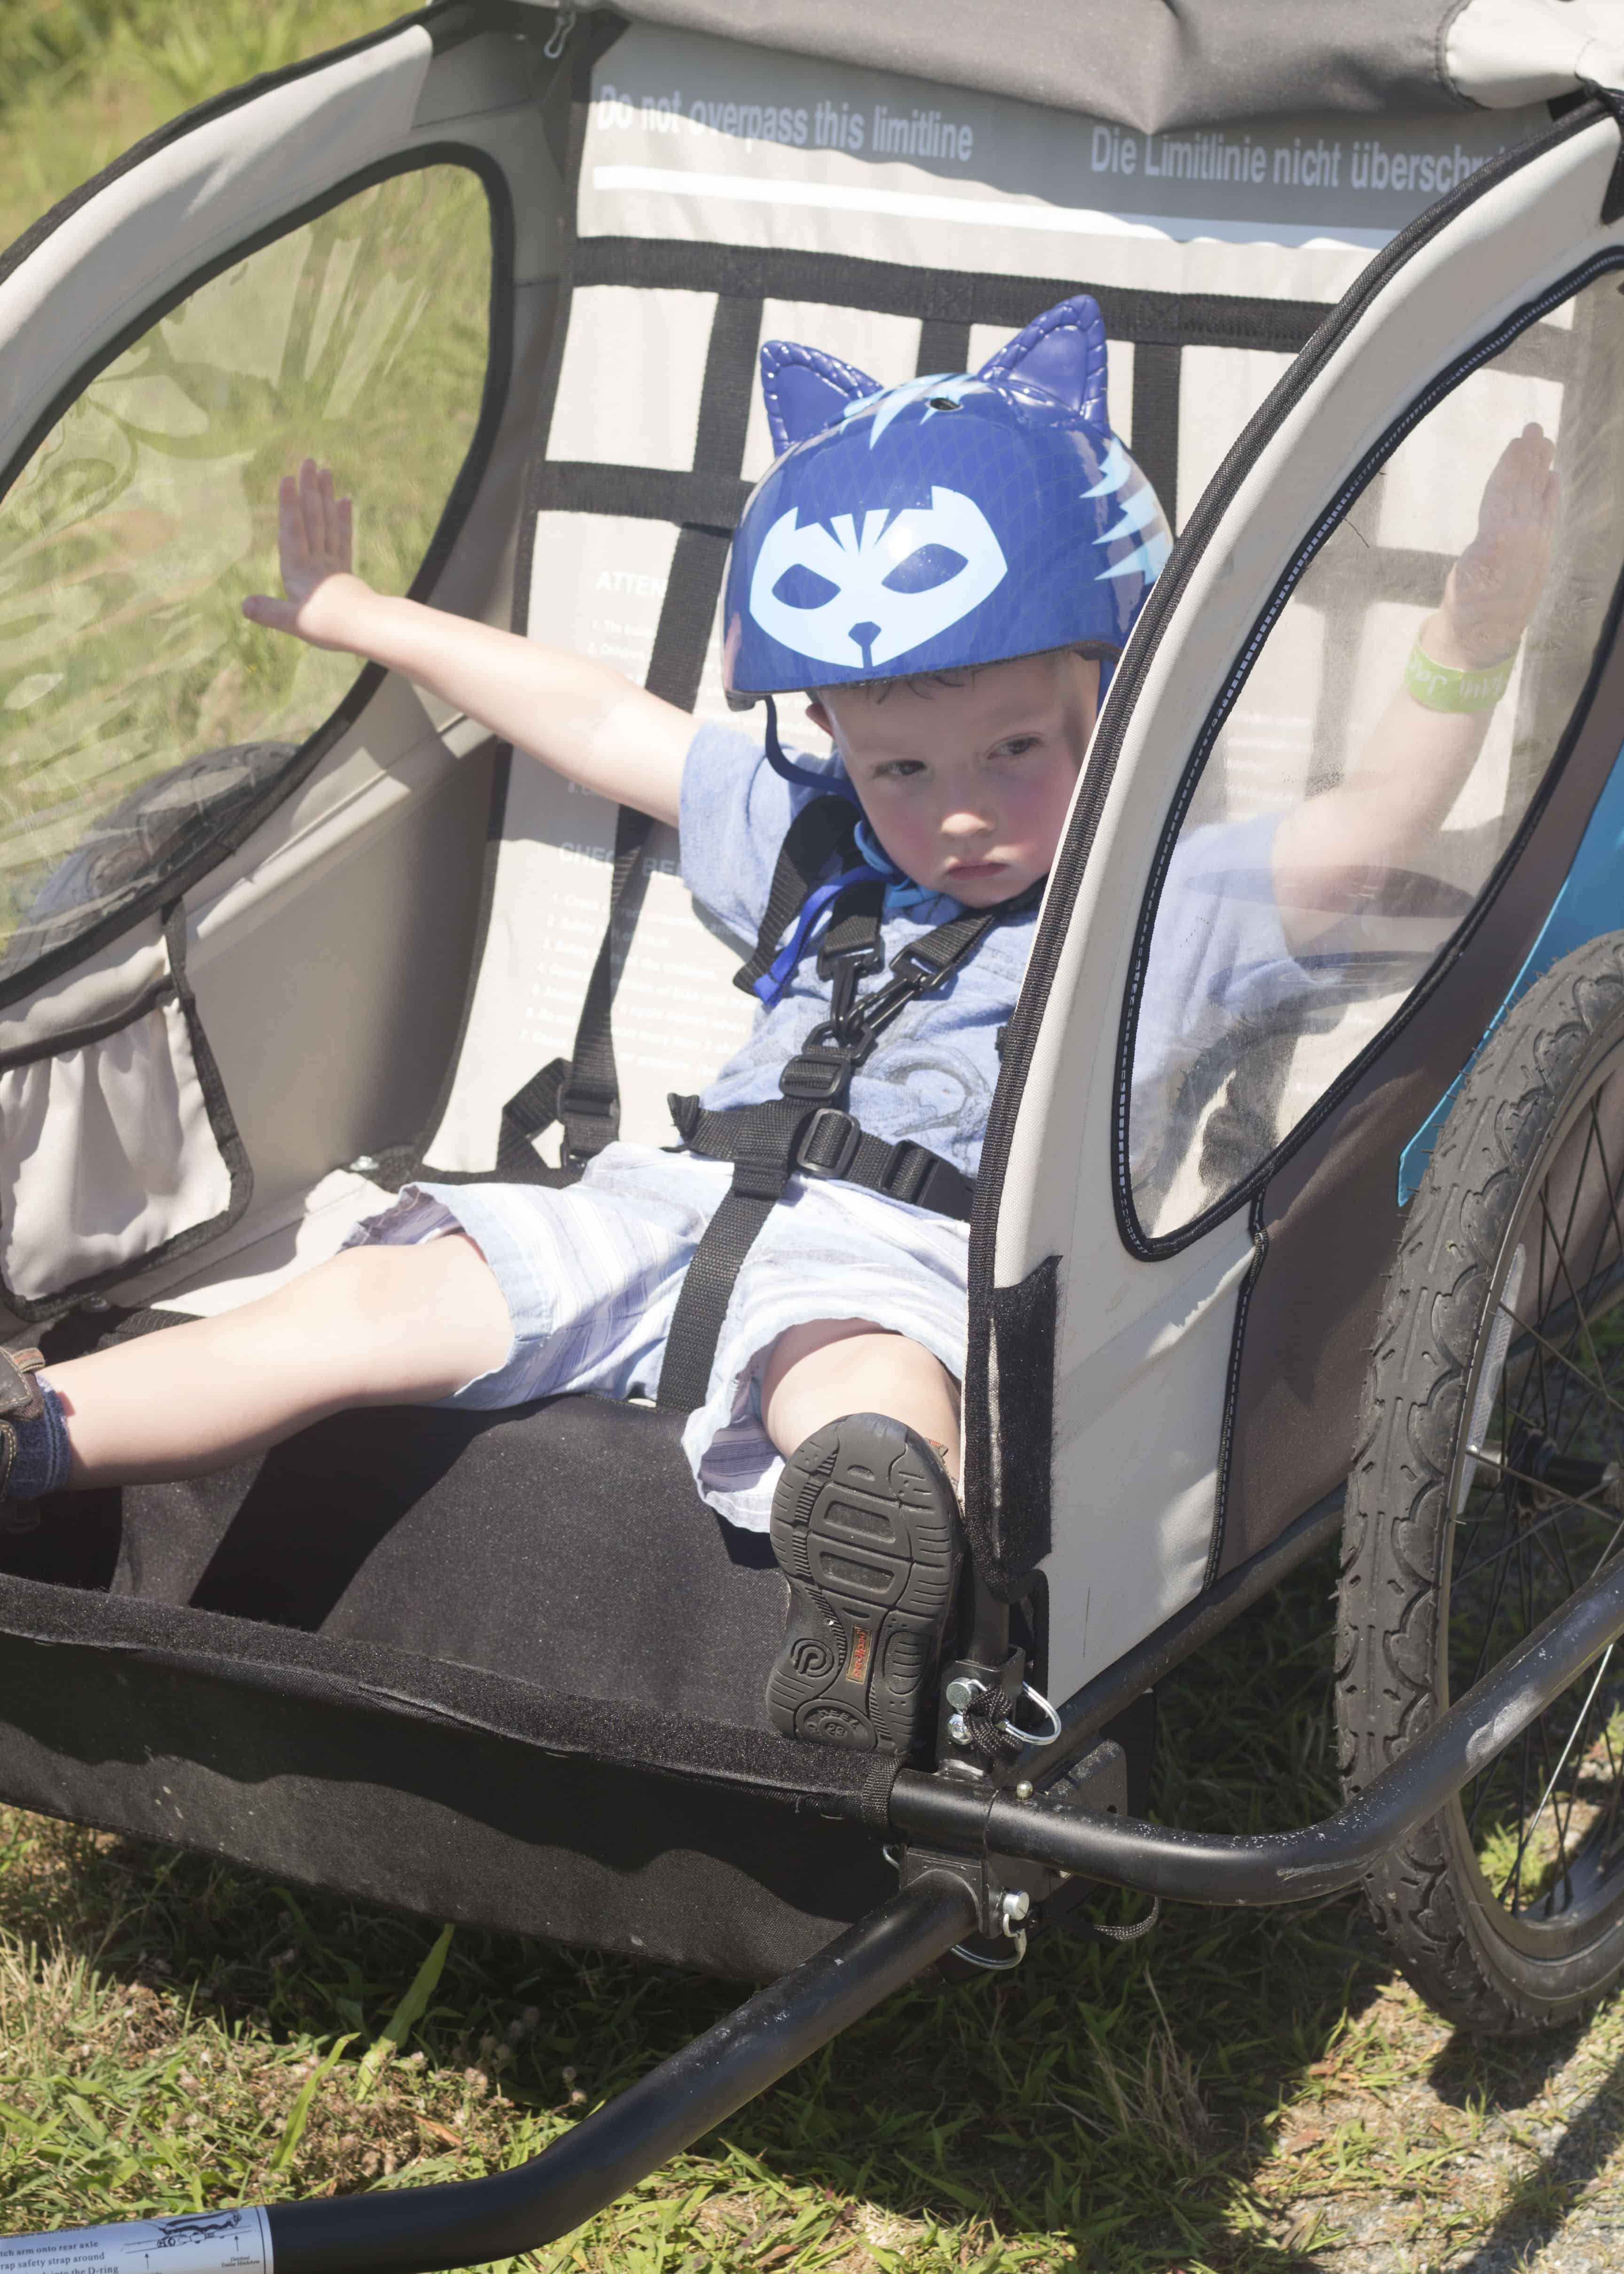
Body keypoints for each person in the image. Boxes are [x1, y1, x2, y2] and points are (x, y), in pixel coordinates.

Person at [0, 291, 1556, 1758]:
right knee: (367, 1305)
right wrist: (368, 615)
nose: (960, 815)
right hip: (666, 1199)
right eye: (904, 771)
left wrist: (1469, 635)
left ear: (1122, 688)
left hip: (906, 1244)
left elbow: (1366, 835)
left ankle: (876, 1614)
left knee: (859, 1391)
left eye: (1018, 750)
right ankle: (41, 1432)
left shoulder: (1166, 903)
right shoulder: (820, 842)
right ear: (834, 739)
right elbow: (608, 725)